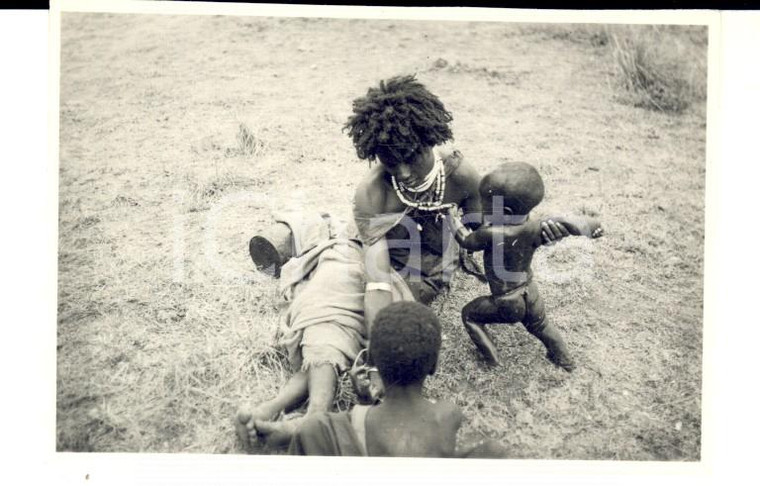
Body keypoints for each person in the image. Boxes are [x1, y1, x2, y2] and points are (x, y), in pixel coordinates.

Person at [289, 301, 508, 458]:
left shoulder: (322, 430)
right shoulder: (447, 417)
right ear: (433, 366)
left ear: (373, 360)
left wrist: (364, 405)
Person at [444, 161, 604, 371]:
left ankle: (493, 361)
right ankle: (566, 360)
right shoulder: (536, 226)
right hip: (530, 292)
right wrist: (595, 227)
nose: (482, 209)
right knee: (542, 326)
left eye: (486, 205)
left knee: (469, 315)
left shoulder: (491, 234)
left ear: (506, 210)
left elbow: (466, 240)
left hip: (507, 301)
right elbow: (572, 225)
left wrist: (450, 218)